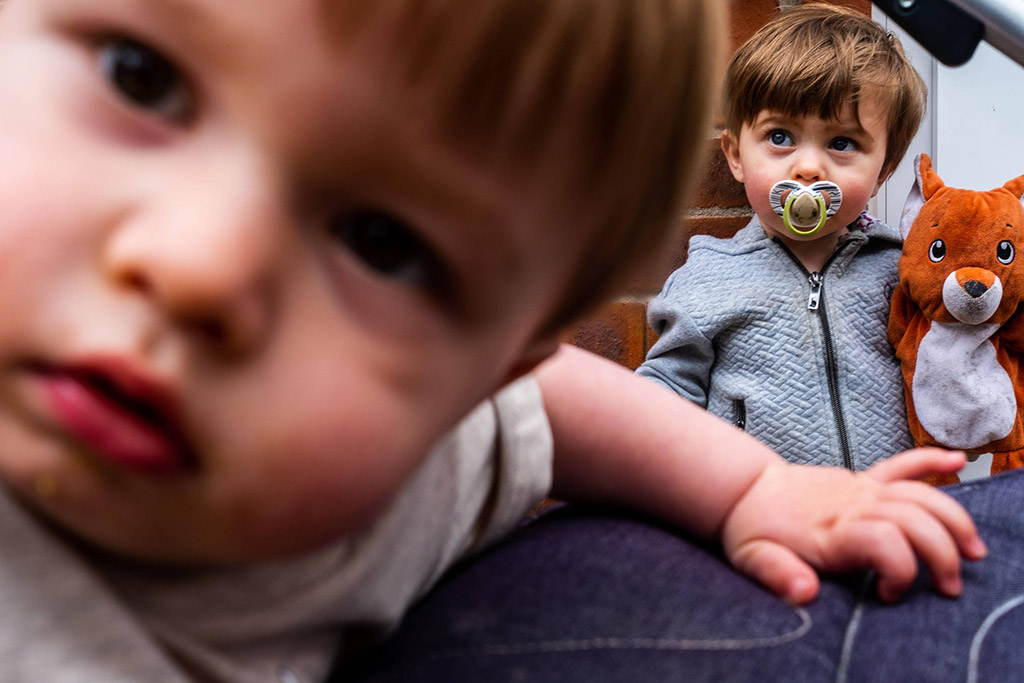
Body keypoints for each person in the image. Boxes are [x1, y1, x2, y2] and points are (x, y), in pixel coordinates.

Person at [0, 1, 983, 682]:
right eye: (142, 78)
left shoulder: (403, 459)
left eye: (381, 242)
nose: (197, 265)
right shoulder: (713, 281)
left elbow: (553, 407)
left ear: (489, 360)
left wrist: (748, 487)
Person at [636, 3, 926, 471]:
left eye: (842, 143)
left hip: (888, 508)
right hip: (760, 514)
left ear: (883, 172)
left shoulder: (902, 271)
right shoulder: (711, 277)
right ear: (735, 155)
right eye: (780, 137)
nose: (808, 167)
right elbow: (668, 392)